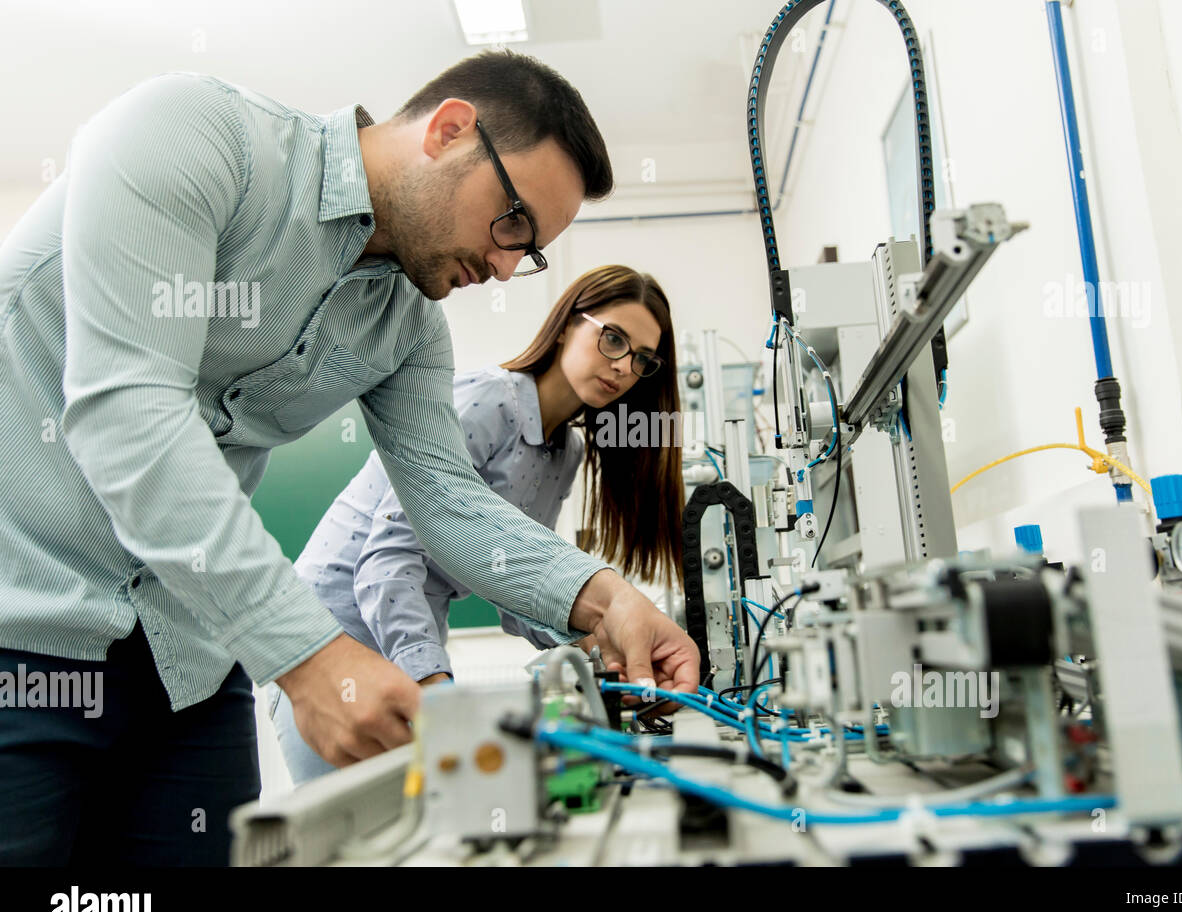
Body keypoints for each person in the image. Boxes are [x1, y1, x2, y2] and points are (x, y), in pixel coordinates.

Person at [0, 51, 698, 866]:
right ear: (448, 131)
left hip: (186, 657)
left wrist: (606, 598)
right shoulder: (194, 137)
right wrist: (308, 654)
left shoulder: (407, 324)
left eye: (530, 251)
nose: (507, 266)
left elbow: (445, 497)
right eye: (512, 223)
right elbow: (130, 413)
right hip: (25, 625)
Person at [272, 265, 685, 782]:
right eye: (613, 339)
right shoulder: (489, 399)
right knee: (350, 836)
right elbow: (388, 560)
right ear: (566, 326)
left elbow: (513, 586)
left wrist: (595, 643)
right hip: (330, 636)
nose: (624, 366)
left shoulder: (566, 451)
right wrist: (434, 686)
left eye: (642, 359)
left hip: (407, 632)